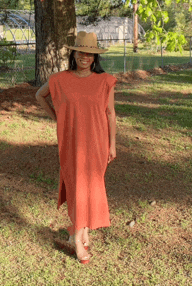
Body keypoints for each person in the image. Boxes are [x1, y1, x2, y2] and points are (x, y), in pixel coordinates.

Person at [35, 31, 117, 264]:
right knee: (77, 187)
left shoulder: (105, 81)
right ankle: (78, 240)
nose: (85, 57)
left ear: (94, 57)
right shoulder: (59, 79)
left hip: (97, 144)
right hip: (71, 144)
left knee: (91, 187)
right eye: (82, 52)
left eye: (90, 54)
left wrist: (112, 144)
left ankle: (79, 232)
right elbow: (39, 96)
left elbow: (110, 114)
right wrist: (56, 118)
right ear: (74, 53)